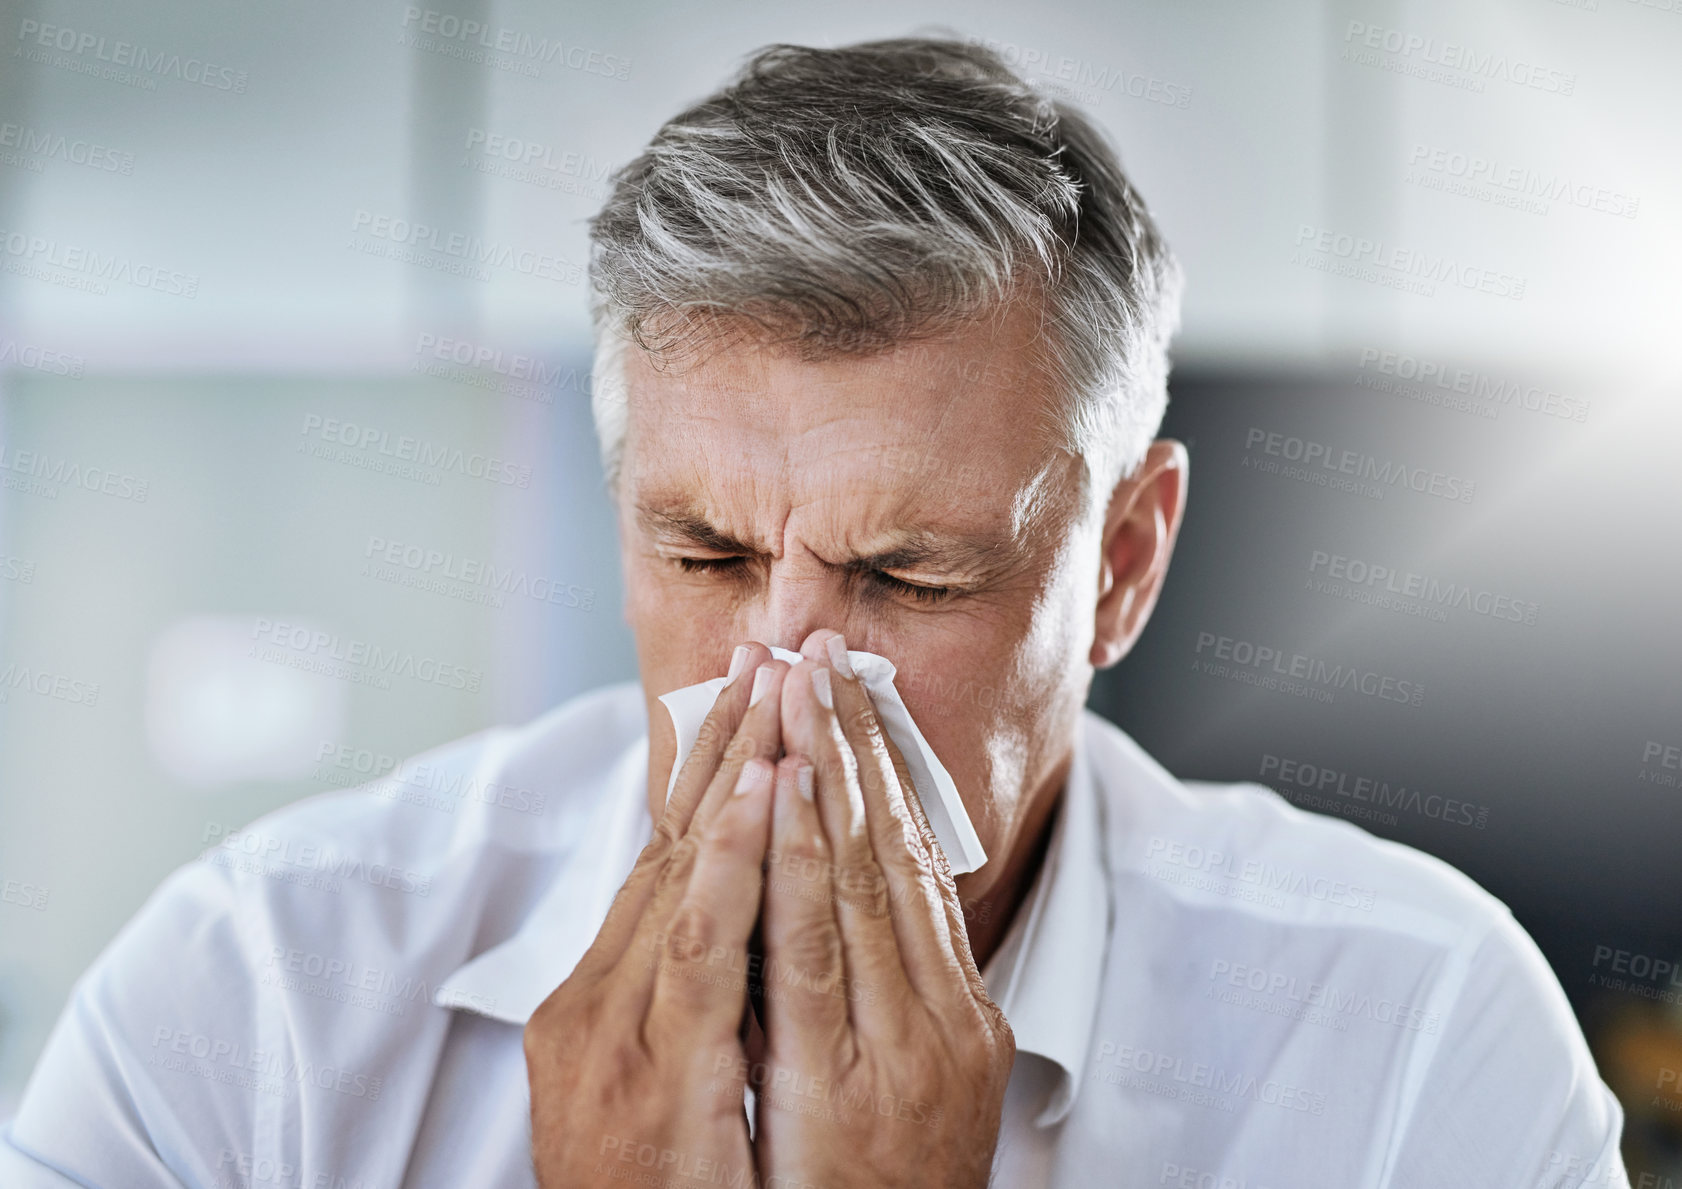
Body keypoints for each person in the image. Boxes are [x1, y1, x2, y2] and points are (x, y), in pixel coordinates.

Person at [1, 36, 1629, 1189]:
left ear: (1123, 562)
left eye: (909, 575)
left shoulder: (1413, 1034)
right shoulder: (262, 991)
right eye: (705, 555)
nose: (781, 671)